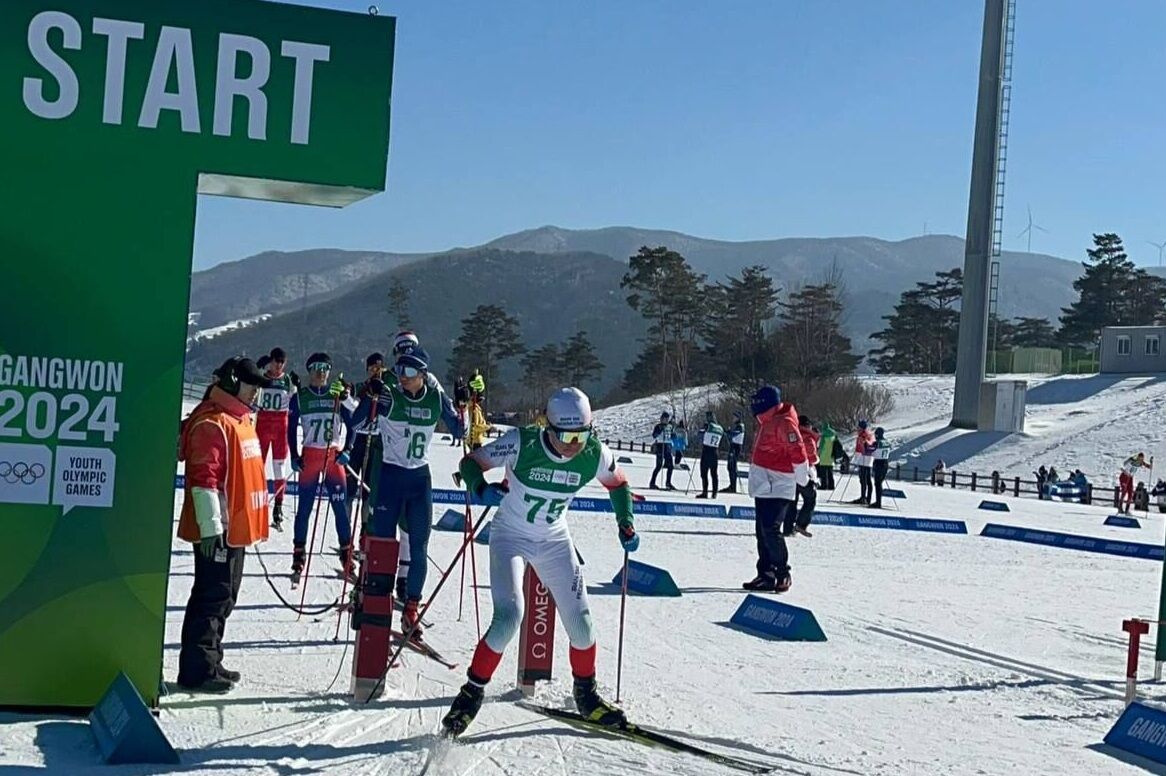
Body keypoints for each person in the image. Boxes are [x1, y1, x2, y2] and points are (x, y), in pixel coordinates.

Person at [441, 387, 638, 737]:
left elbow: (618, 485)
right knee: (509, 616)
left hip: (554, 540)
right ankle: (470, 694)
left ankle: (586, 695)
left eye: (582, 434)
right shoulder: (523, 442)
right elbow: (471, 463)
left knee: (582, 625)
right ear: (548, 426)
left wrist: (626, 522)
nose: (574, 443)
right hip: (510, 536)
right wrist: (480, 488)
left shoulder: (593, 452)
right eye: (566, 435)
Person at [176, 357, 272, 692]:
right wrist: (211, 528)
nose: (257, 393)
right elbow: (205, 479)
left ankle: (211, 660)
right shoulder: (213, 423)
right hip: (218, 531)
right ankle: (197, 669)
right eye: (252, 386)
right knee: (211, 595)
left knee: (225, 595)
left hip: (235, 529)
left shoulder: (239, 418)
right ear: (233, 383)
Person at [354, 346, 463, 633]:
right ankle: (372, 598)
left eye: (410, 371)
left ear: (424, 374)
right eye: (400, 370)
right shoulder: (391, 397)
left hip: (418, 481)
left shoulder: (436, 398)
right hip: (390, 478)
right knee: (381, 542)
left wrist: (462, 404)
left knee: (419, 548)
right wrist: (369, 395)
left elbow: (460, 431)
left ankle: (411, 609)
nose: (403, 376)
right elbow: (355, 423)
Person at [288, 353, 356, 582]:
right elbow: (290, 429)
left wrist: (347, 449)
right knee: (305, 509)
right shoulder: (300, 397)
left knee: (340, 509)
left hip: (333, 457)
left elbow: (352, 424)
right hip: (311, 457)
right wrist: (294, 456)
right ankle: (298, 553)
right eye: (317, 368)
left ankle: (346, 554)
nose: (321, 372)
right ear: (310, 370)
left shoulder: (337, 395)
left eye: (325, 368)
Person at [743, 385, 807, 593]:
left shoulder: (784, 422)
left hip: (779, 483)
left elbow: (797, 450)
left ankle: (782, 573)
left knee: (771, 529)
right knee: (762, 531)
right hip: (764, 483)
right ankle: (766, 574)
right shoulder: (767, 421)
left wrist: (802, 477)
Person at [255, 348, 296, 531]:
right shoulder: (262, 376)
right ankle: (256, 503)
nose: (278, 365)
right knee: (258, 466)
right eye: (276, 361)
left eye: (282, 362)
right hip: (262, 425)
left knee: (279, 468)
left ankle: (278, 506)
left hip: (281, 427)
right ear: (270, 361)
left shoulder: (287, 380)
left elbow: (295, 402)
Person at [348, 353, 386, 531]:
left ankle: (365, 530)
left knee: (368, 491)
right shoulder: (362, 387)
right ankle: (345, 533)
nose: (376, 372)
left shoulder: (386, 389)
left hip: (376, 441)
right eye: (372, 369)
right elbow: (350, 401)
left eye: (379, 368)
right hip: (359, 441)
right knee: (349, 488)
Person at [790, 415, 819, 536]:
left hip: (790, 471)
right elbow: (811, 457)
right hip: (805, 471)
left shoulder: (792, 434)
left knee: (792, 501)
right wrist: (817, 459)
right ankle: (801, 524)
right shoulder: (809, 438)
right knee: (810, 499)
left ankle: (788, 526)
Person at [696, 411, 725, 499]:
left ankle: (705, 492)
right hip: (715, 451)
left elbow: (700, 434)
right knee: (714, 473)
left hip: (707, 450)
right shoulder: (720, 428)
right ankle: (714, 493)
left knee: (704, 473)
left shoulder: (708, 425)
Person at [649, 411, 675, 490]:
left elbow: (672, 435)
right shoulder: (658, 426)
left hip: (668, 446)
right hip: (660, 445)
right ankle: (652, 483)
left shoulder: (670, 426)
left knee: (670, 466)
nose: (666, 420)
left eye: (667, 419)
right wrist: (659, 431)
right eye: (664, 419)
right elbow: (654, 435)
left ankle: (668, 482)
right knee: (659, 465)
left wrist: (674, 436)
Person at [851, 420, 874, 505]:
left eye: (859, 428)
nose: (857, 429)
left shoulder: (862, 436)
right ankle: (867, 498)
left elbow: (860, 448)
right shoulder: (869, 435)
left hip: (863, 460)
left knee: (863, 480)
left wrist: (856, 459)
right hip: (868, 460)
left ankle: (864, 498)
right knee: (867, 479)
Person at [868, 427, 891, 508]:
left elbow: (869, 450)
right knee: (879, 483)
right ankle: (878, 501)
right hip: (885, 463)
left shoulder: (877, 442)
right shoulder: (887, 442)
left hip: (878, 463)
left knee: (877, 484)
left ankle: (878, 502)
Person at [725, 411, 746, 494]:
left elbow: (734, 434)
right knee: (730, 466)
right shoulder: (737, 426)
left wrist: (728, 433)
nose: (733, 419)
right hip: (734, 446)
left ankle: (733, 487)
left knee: (732, 466)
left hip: (735, 447)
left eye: (735, 417)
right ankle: (732, 485)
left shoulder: (740, 426)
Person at [817, 421, 836, 490]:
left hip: (824, 457)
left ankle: (824, 485)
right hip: (831, 457)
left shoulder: (824, 437)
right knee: (830, 472)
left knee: (824, 473)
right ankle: (831, 485)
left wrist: (818, 454)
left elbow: (821, 447)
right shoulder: (833, 436)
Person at [452, 376, 470, 446]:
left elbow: (456, 394)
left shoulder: (460, 388)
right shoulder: (463, 388)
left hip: (459, 407)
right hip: (461, 407)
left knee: (459, 423)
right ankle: (460, 440)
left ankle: (459, 440)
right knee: (461, 423)